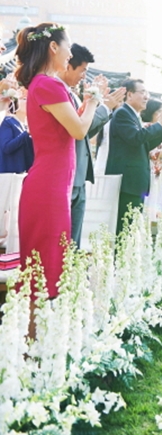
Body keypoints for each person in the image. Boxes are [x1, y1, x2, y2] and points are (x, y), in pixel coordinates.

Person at [15, 23, 100, 336]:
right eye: (67, 46)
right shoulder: (47, 85)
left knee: (49, 264)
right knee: (42, 267)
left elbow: (71, 125)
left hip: (53, 186)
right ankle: (30, 342)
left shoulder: (48, 84)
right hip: (47, 188)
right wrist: (93, 102)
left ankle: (37, 339)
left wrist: (88, 100)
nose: (69, 53)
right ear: (53, 47)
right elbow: (78, 129)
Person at [59, 43, 126, 247]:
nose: (84, 76)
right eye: (83, 70)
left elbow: (85, 132)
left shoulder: (72, 95)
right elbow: (78, 129)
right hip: (67, 174)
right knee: (66, 238)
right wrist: (103, 106)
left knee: (74, 240)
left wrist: (99, 107)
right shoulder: (59, 94)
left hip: (78, 174)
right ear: (68, 65)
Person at [105, 79, 162, 234]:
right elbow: (135, 138)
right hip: (127, 182)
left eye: (147, 93)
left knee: (129, 228)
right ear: (129, 95)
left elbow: (141, 145)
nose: (146, 97)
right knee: (123, 228)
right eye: (142, 92)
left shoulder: (133, 115)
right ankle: (119, 258)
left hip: (134, 182)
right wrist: (160, 125)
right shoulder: (123, 113)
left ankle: (124, 257)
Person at [0, 88, 34, 173]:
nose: (28, 102)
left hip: (22, 175)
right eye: (24, 99)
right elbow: (7, 147)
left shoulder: (25, 126)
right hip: (8, 175)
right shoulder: (8, 121)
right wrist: (27, 133)